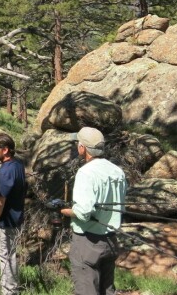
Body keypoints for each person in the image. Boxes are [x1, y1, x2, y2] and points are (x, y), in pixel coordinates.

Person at [52, 126, 127, 295]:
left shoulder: (85, 172)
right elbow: (121, 207)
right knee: (107, 290)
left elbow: (83, 213)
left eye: (78, 143)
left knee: (87, 289)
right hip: (111, 240)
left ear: (83, 148)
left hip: (88, 242)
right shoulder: (117, 171)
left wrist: (62, 210)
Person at [0, 133, 26, 295]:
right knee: (11, 256)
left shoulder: (5, 172)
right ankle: (13, 289)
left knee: (5, 258)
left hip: (5, 224)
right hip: (16, 219)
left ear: (5, 150)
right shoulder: (18, 165)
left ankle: (9, 291)